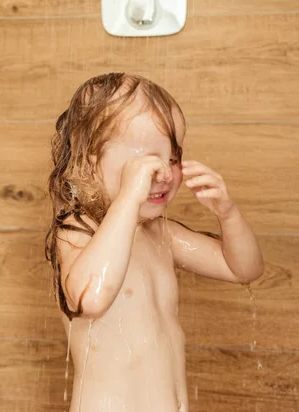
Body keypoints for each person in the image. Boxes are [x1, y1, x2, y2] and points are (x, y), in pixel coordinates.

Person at [45, 72, 264, 412]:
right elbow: (91, 299)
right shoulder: (78, 231)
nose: (164, 172)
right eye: (146, 162)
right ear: (90, 161)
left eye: (173, 158)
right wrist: (129, 199)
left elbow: (243, 269)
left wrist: (228, 213)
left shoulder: (160, 234)